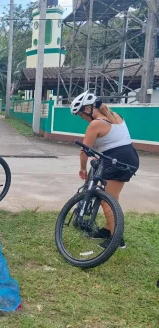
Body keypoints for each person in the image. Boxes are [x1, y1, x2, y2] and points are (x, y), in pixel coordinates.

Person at [70, 91, 139, 249]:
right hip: (129, 158)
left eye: (82, 115)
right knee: (112, 198)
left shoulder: (95, 124)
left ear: (88, 109)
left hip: (117, 160)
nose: (83, 119)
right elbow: (114, 141)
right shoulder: (116, 116)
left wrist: (82, 169)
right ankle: (108, 230)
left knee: (106, 199)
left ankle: (117, 239)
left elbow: (84, 151)